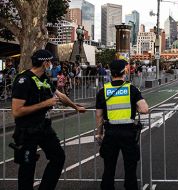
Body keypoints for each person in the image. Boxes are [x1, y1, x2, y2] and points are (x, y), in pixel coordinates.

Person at [11, 49, 86, 190]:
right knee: (28, 166)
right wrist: (45, 104)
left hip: (44, 128)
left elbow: (60, 96)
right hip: (27, 130)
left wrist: (75, 107)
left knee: (58, 157)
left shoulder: (44, 79)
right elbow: (16, 111)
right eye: (50, 62)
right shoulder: (24, 80)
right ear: (45, 63)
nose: (51, 64)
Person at [95, 59, 149, 190]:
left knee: (109, 167)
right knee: (130, 167)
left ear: (111, 73)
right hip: (128, 133)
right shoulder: (131, 89)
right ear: (124, 71)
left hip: (111, 133)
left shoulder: (103, 90)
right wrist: (134, 107)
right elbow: (144, 109)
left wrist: (99, 133)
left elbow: (99, 115)